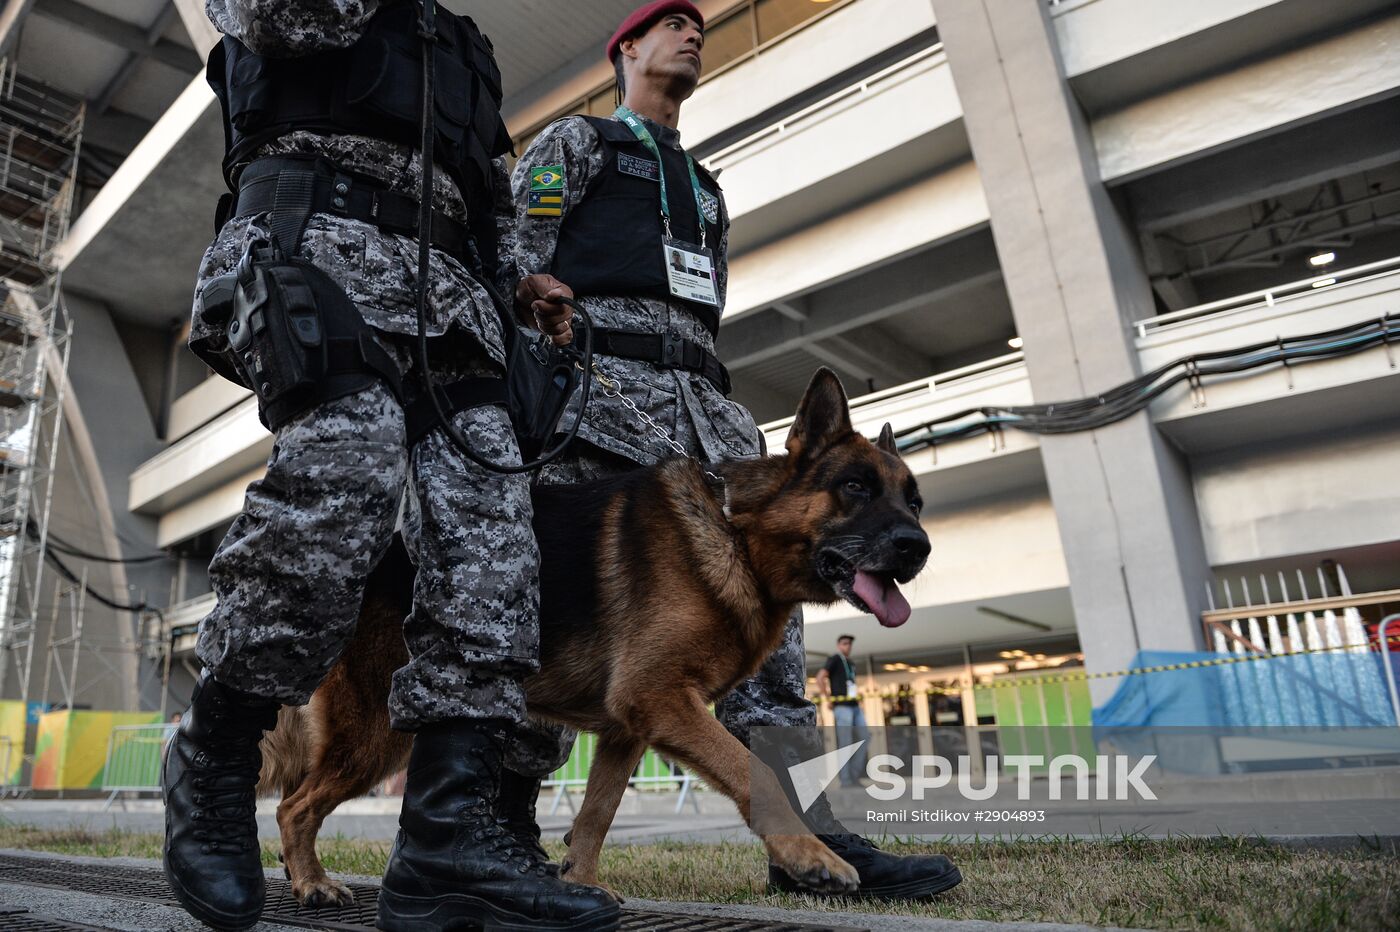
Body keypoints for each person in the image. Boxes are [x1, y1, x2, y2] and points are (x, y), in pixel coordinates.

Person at [162, 2, 620, 931]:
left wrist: (518, 280)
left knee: (495, 547)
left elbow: (483, 193)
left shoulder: (460, 44)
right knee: (347, 471)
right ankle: (213, 758)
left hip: (452, 308)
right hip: (316, 252)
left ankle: (447, 839)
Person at [506, 0, 961, 901]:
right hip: (596, 402)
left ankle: (810, 837)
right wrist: (537, 323)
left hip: (705, 417)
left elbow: (701, 304)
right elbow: (521, 250)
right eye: (669, 24)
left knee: (776, 643)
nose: (691, 32)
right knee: (550, 630)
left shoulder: (707, 188)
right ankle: (505, 837)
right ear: (626, 47)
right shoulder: (576, 145)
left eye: (698, 27)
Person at [816, 635, 870, 787]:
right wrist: (829, 699)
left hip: (854, 705)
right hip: (842, 706)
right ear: (839, 645)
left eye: (850, 644)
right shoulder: (835, 659)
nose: (848, 646)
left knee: (865, 737)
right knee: (846, 743)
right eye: (845, 643)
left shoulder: (851, 663)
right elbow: (820, 677)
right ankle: (846, 780)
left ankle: (853, 775)